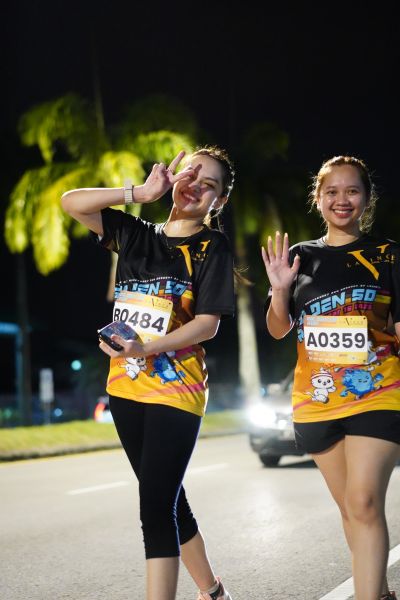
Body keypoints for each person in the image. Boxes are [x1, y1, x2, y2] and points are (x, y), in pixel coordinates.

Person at [61, 147, 235, 600]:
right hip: (125, 386)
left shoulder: (211, 247)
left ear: (219, 201)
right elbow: (71, 202)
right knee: (169, 499)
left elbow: (208, 323)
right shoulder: (135, 234)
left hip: (177, 390)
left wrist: (147, 347)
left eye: (209, 185)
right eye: (191, 175)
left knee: (155, 507)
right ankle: (214, 592)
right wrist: (138, 193)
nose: (195, 187)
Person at [262, 155, 400, 600]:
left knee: (363, 501)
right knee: (351, 509)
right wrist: (280, 289)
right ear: (318, 198)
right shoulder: (300, 257)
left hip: (378, 390)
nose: (342, 200)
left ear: (367, 198)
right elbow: (278, 329)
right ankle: (379, 593)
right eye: (332, 192)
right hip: (317, 398)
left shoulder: (388, 254)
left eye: (352, 190)